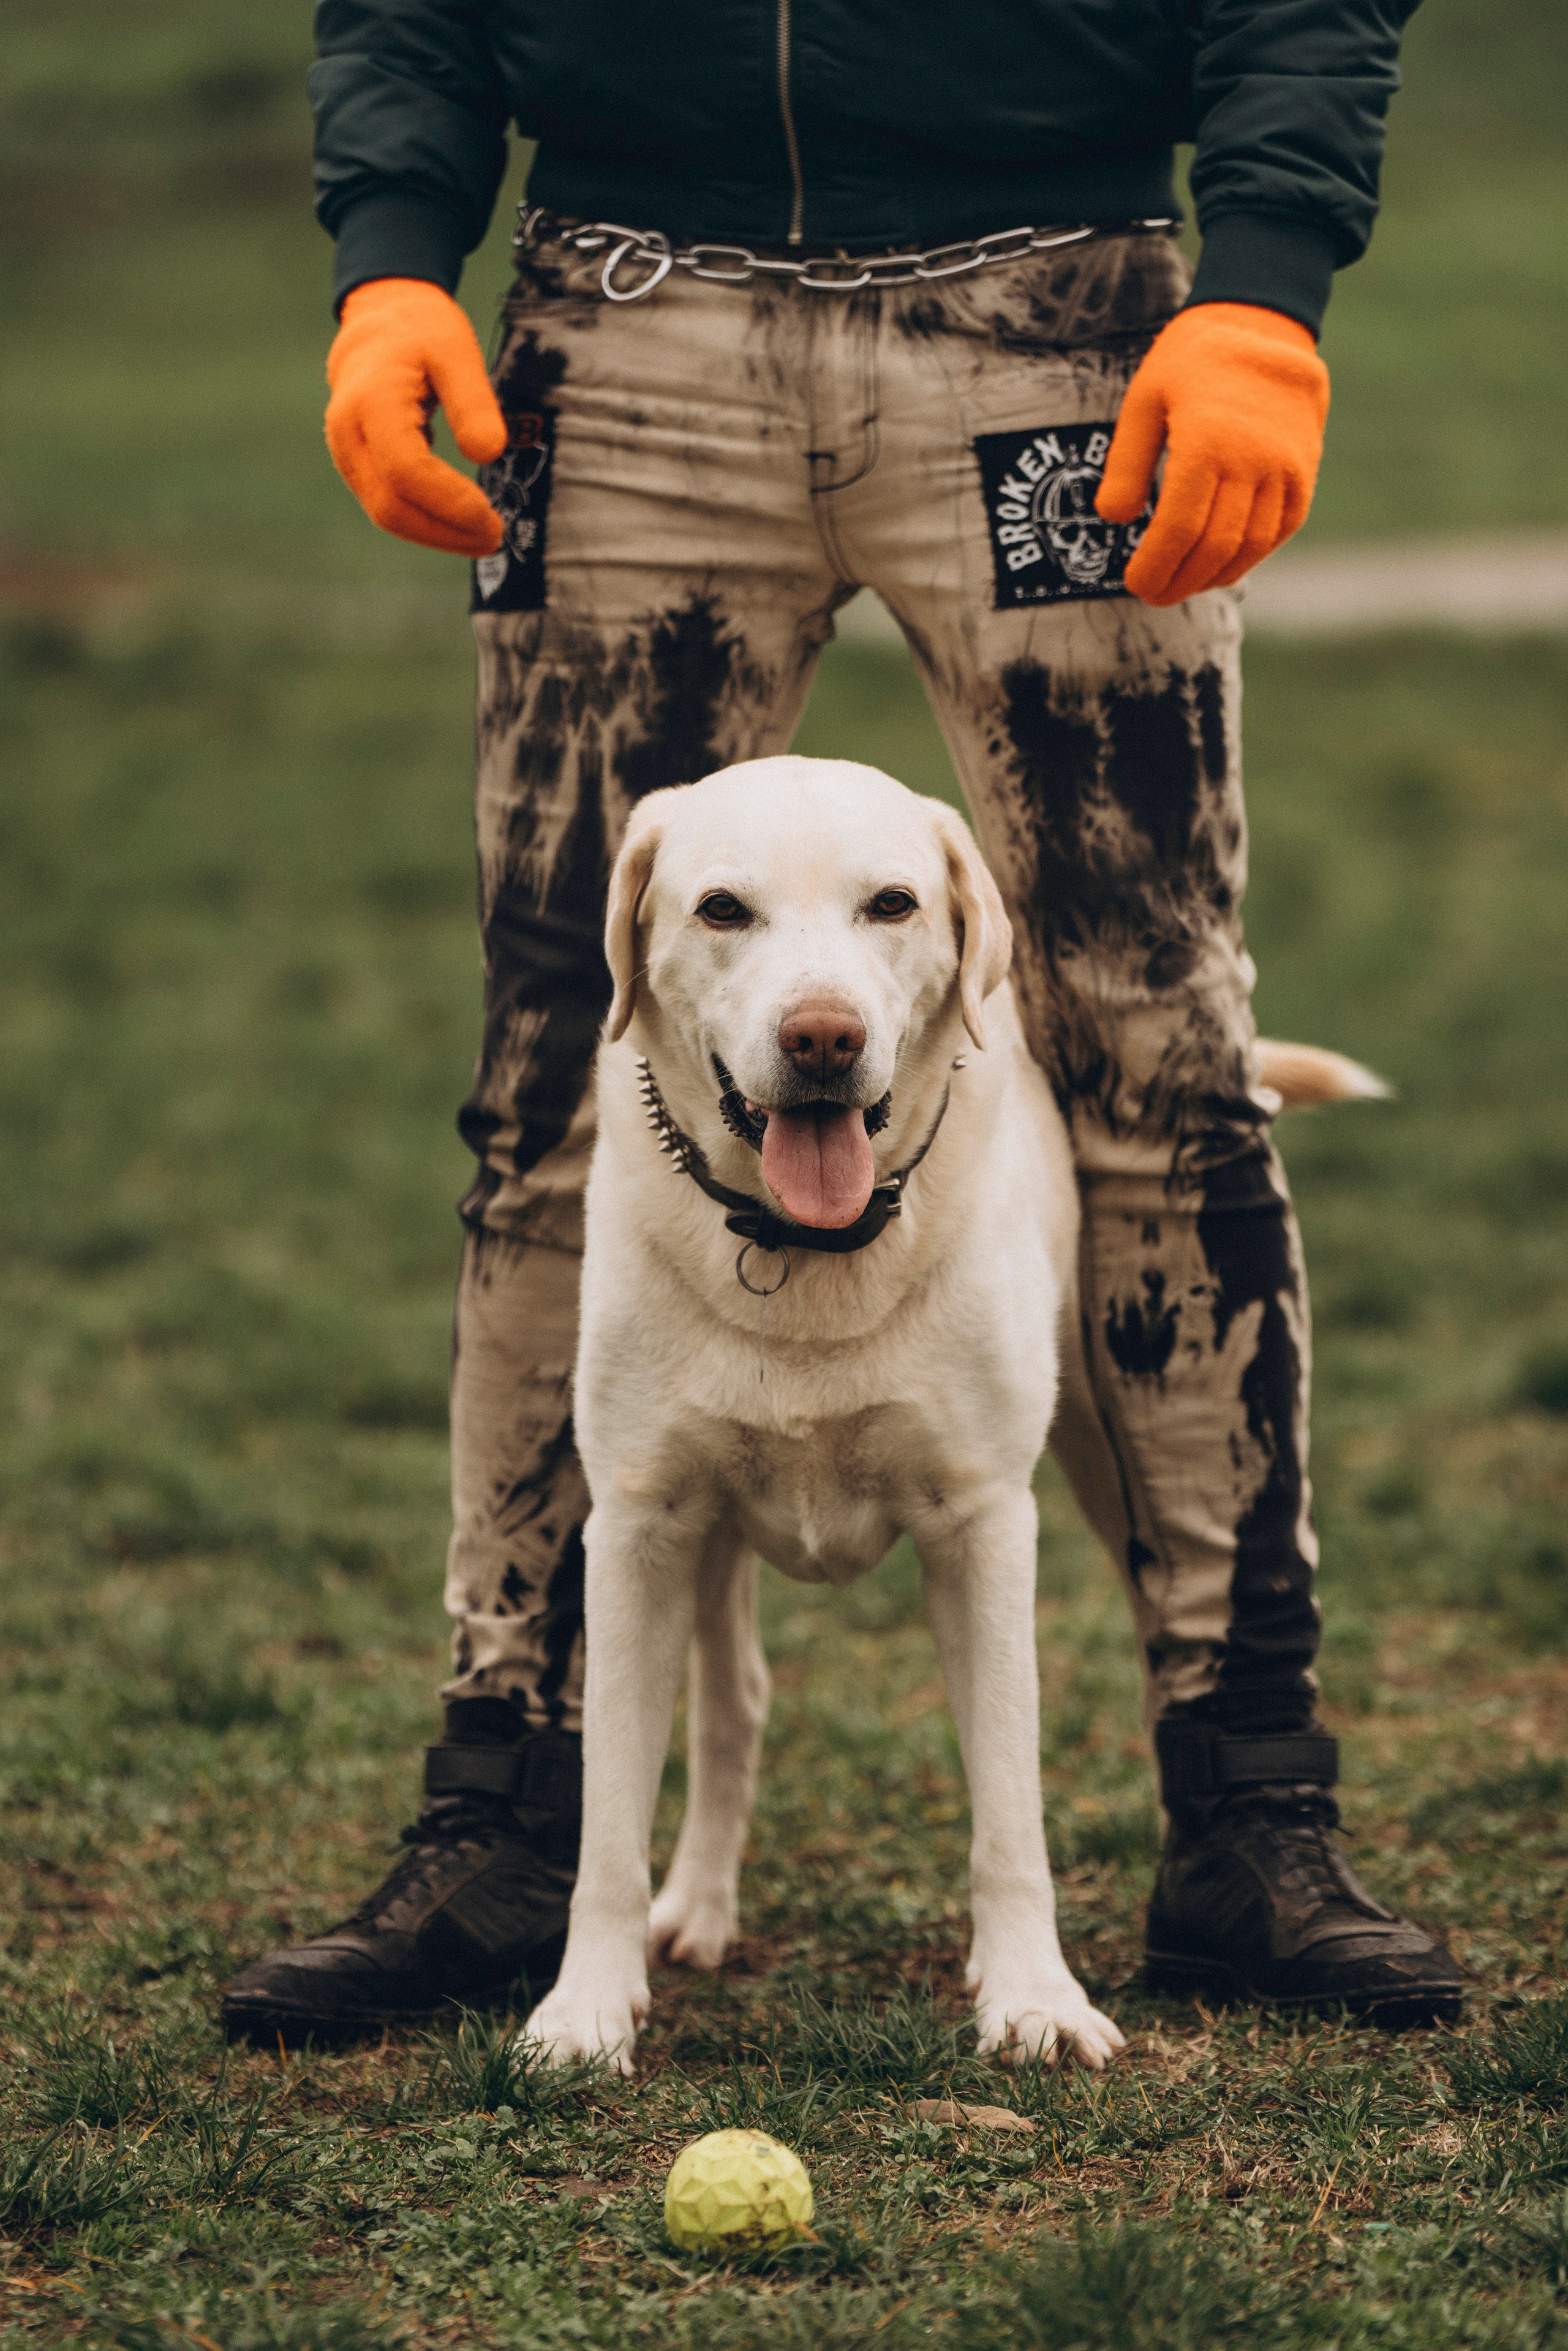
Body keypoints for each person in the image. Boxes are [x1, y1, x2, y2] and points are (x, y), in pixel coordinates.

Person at [222, 0, 1461, 2043]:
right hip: (624, 341)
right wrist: (386, 258)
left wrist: (1266, 291)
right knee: (559, 1081)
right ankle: (510, 1817)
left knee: (1158, 1064)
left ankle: (1250, 1815)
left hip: (1062, 333)